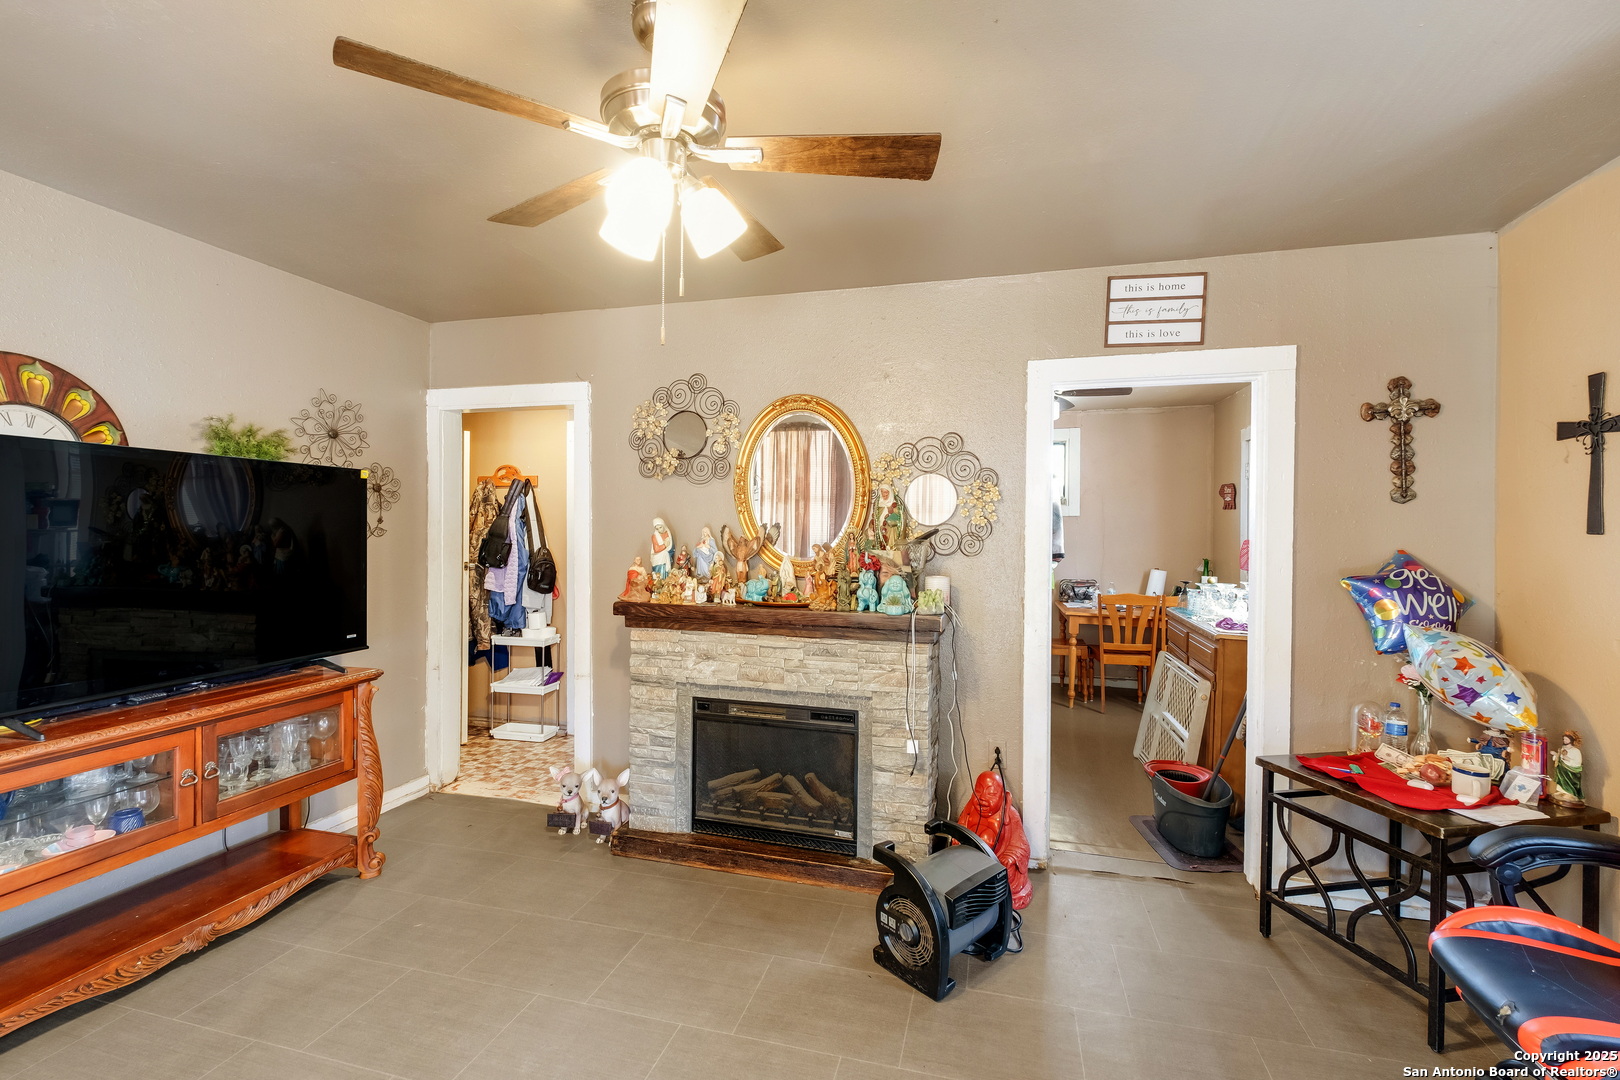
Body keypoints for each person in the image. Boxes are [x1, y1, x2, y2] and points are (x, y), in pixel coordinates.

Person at [1552, 730, 1584, 807]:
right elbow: (1559, 758)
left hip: (1570, 771)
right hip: (1562, 770)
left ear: (1571, 740)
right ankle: (1561, 791)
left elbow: (1577, 763)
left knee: (1568, 782)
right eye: (1564, 739)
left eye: (1566, 739)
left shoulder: (1576, 751)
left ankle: (1570, 793)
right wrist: (1556, 755)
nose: (1564, 741)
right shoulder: (1563, 749)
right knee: (1561, 780)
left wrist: (1568, 759)